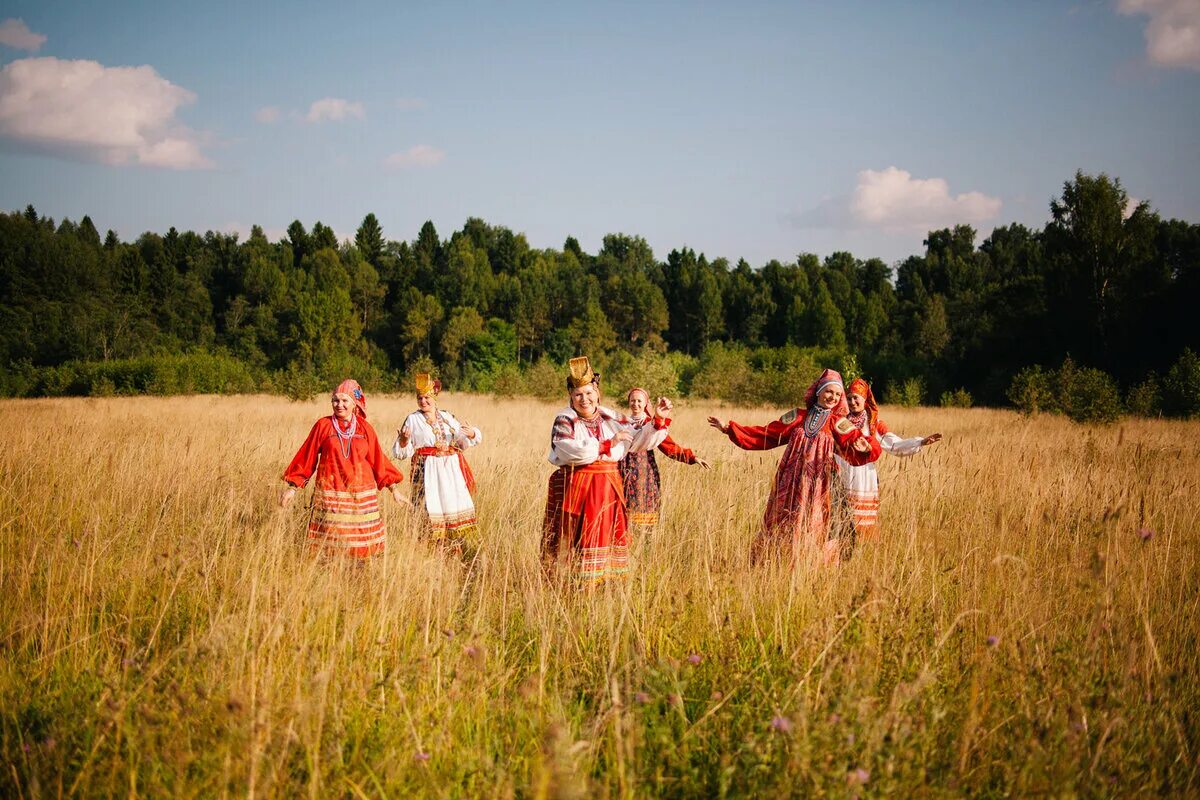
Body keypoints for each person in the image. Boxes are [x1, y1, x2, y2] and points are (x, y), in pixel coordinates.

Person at [707, 368, 880, 565]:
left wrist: (867, 447)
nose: (833, 397)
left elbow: (859, 442)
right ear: (818, 391)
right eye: (829, 391)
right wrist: (730, 428)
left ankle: (810, 565)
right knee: (784, 519)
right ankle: (777, 561)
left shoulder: (837, 423)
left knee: (818, 522)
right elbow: (766, 434)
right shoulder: (797, 416)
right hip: (790, 484)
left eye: (838, 394)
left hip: (820, 484)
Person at [542, 357, 673, 585]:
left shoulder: (611, 417)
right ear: (571, 397)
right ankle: (574, 587)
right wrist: (606, 445)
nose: (585, 399)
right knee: (576, 538)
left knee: (606, 536)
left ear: (597, 393)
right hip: (579, 486)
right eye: (578, 395)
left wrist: (658, 421)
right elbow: (566, 449)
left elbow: (638, 441)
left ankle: (603, 587)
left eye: (589, 393)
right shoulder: (565, 419)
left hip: (608, 486)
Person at [281, 379, 407, 558]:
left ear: (354, 403)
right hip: (331, 494)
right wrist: (292, 488)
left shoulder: (364, 428)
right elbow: (307, 457)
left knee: (361, 549)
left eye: (344, 400)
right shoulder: (323, 425)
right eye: (335, 400)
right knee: (331, 548)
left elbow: (378, 460)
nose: (339, 405)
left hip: (360, 497)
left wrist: (394, 489)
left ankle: (360, 574)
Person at [836, 378, 941, 540]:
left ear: (865, 399)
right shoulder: (840, 421)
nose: (852, 401)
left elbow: (894, 445)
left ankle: (863, 550)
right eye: (849, 398)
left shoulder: (874, 424)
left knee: (863, 522)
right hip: (843, 473)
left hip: (865, 476)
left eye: (856, 397)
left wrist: (921, 441)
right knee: (842, 517)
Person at [392, 373, 482, 552]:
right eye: (420, 398)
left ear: (434, 398)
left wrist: (472, 434)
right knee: (427, 508)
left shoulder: (447, 417)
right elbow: (401, 451)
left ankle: (455, 547)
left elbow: (461, 441)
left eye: (426, 398)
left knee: (451, 506)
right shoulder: (413, 419)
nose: (423, 401)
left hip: (450, 471)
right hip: (426, 471)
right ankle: (429, 550)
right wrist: (403, 441)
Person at [618, 386, 710, 528]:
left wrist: (692, 457)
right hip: (623, 471)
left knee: (643, 507)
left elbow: (669, 446)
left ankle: (643, 538)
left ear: (645, 403)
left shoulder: (652, 424)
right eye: (632, 400)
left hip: (644, 472)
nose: (635, 404)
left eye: (639, 401)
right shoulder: (622, 423)